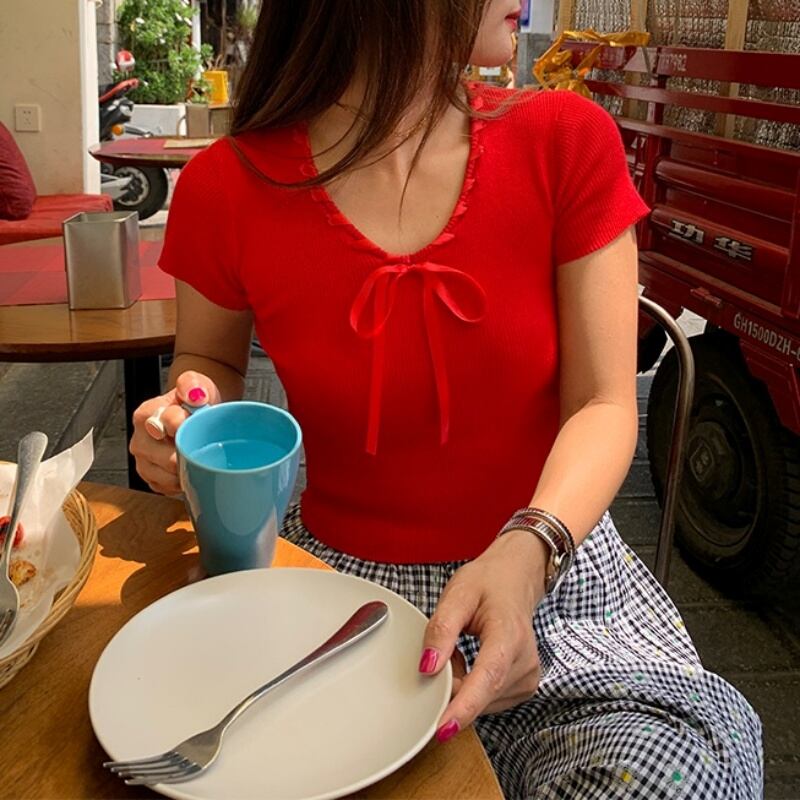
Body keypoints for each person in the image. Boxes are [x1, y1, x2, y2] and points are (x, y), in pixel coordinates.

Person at [130, 2, 763, 797]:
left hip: (553, 576)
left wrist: (529, 550)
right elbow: (210, 360)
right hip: (342, 602)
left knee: (669, 777)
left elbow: (604, 403)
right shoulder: (229, 184)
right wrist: (189, 410)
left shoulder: (566, 140)